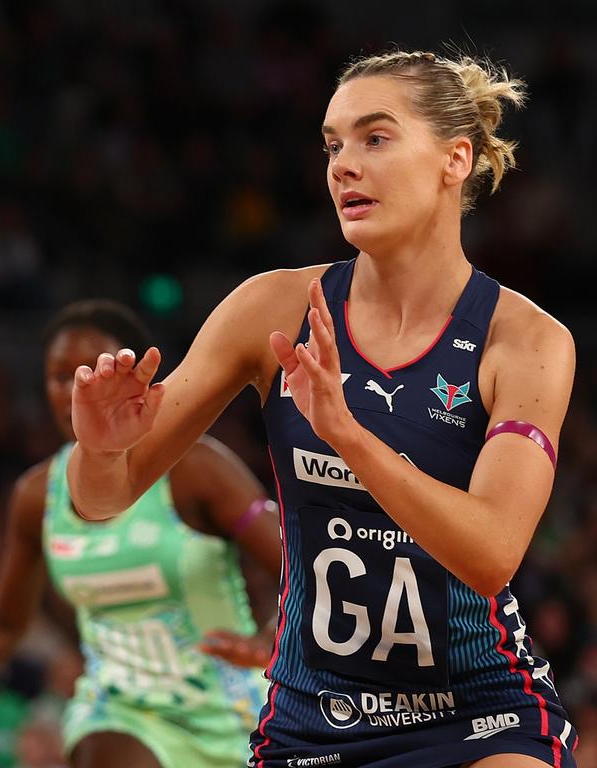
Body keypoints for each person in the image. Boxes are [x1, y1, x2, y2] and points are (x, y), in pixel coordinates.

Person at [65, 51, 578, 768]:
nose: (343, 164)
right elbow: (103, 500)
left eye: (375, 138)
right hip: (313, 723)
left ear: (454, 159)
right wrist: (99, 449)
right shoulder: (267, 308)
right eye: (333, 145)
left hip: (479, 713)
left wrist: (349, 435)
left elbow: (491, 555)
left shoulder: (525, 340)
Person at [0, 299, 282, 768]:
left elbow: (301, 562)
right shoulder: (37, 495)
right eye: (60, 376)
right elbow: (3, 622)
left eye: (97, 370)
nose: (80, 388)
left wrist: (270, 636)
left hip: (236, 710)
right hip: (118, 712)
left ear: (143, 382)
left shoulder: (197, 467)